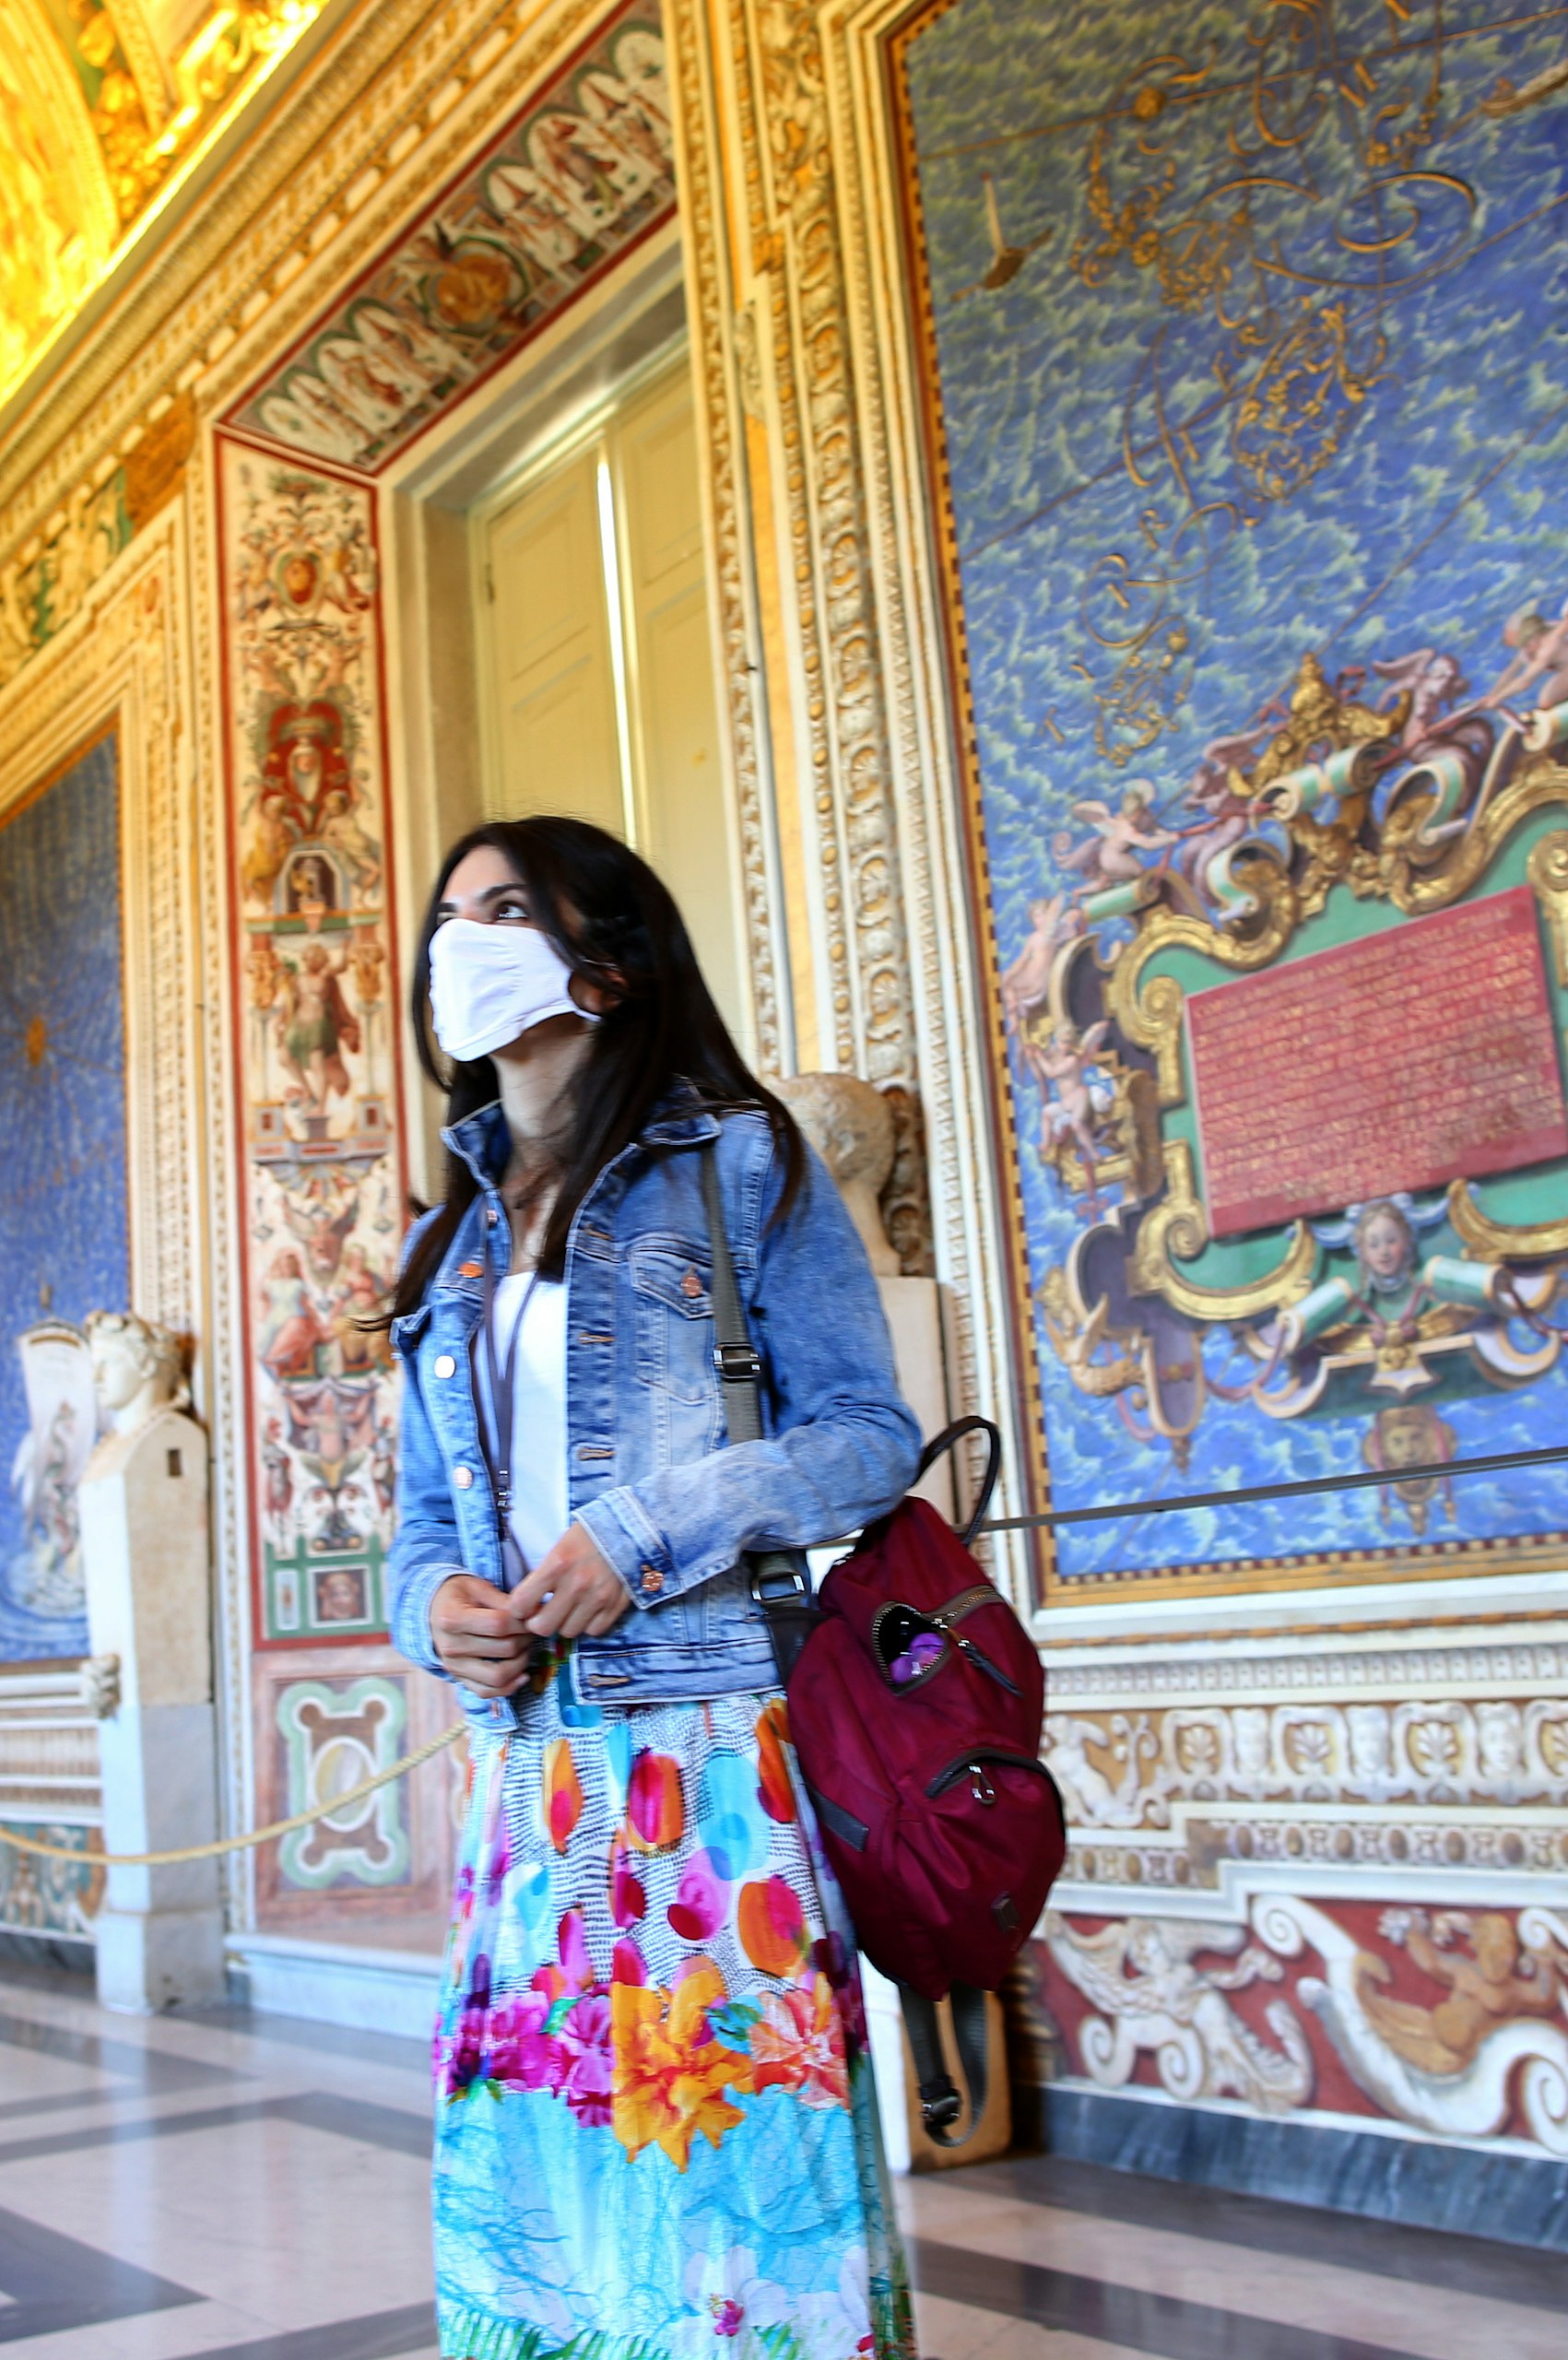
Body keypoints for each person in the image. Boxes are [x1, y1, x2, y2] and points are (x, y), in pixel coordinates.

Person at [383, 815, 920, 2360]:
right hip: (527, 1781)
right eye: (447, 918)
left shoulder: (742, 1166)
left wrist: (643, 1534)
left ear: (603, 968)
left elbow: (869, 1438)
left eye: (502, 910)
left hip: (710, 1766)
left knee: (737, 2212)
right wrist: (433, 1611)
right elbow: (420, 1523)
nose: (456, 943)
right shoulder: (447, 1246)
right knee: (542, 2216)